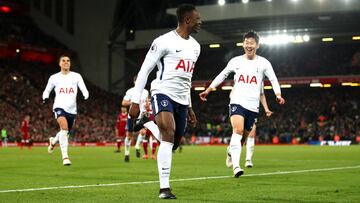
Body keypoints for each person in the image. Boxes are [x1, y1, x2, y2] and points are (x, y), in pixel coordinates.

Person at [129, 4, 201, 199]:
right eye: (197, 19)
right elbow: (144, 70)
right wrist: (135, 101)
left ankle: (147, 123)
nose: (200, 22)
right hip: (162, 92)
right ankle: (164, 188)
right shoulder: (163, 42)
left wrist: (190, 106)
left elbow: (187, 80)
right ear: (187, 20)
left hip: (181, 99)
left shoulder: (196, 47)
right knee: (168, 134)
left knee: (173, 143)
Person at [199, 30, 285, 178]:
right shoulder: (235, 61)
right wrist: (209, 89)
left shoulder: (264, 63)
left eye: (252, 43)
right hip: (237, 101)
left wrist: (278, 94)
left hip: (253, 106)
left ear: (257, 45)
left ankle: (230, 151)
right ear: (243, 44)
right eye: (247, 42)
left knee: (243, 139)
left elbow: (273, 79)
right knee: (237, 131)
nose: (249, 45)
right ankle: (237, 167)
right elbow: (223, 74)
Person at [42, 54, 89, 166]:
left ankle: (53, 141)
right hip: (59, 107)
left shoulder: (76, 76)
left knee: (65, 132)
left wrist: (85, 94)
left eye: (68, 60)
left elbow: (84, 88)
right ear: (59, 63)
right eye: (63, 60)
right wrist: (45, 97)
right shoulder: (54, 77)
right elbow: (47, 90)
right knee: (64, 128)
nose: (66, 62)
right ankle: (65, 157)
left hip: (72, 109)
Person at [226, 84, 273, 168]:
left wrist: (266, 109)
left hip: (252, 109)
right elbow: (231, 94)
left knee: (251, 134)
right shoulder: (242, 77)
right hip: (240, 108)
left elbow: (261, 94)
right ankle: (232, 154)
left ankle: (248, 159)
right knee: (239, 133)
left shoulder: (259, 79)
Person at [121, 75, 149, 162]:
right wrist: (133, 103)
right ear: (134, 82)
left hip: (142, 115)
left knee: (143, 132)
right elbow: (124, 102)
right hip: (132, 115)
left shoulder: (145, 92)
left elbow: (147, 102)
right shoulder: (130, 91)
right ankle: (126, 152)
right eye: (137, 81)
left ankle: (137, 146)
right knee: (129, 136)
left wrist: (147, 105)